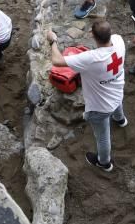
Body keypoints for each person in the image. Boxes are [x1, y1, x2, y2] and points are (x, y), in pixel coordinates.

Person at [46, 20, 127, 172]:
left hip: (100, 107)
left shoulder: (91, 58)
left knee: (102, 137)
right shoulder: (119, 41)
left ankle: (104, 163)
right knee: (117, 101)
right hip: (117, 90)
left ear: (92, 36)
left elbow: (57, 61)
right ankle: (121, 120)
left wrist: (53, 41)